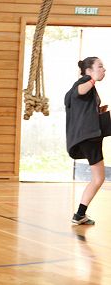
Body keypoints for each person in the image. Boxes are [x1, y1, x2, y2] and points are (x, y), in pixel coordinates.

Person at [65, 56, 107, 226]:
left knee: (98, 178)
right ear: (89, 70)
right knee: (98, 179)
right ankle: (79, 214)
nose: (104, 70)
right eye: (100, 66)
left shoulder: (83, 87)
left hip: (87, 137)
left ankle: (80, 215)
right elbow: (80, 91)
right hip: (89, 137)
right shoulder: (83, 83)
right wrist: (92, 79)